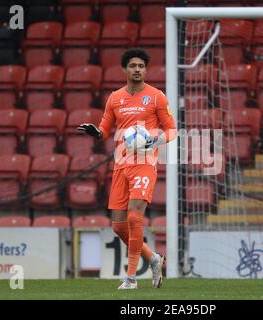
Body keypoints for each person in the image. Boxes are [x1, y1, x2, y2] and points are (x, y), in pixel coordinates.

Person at [77, 48, 177, 290]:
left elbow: (172, 131)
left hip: (145, 163)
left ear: (146, 69)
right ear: (125, 69)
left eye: (141, 66)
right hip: (121, 166)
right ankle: (153, 258)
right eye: (132, 66)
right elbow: (104, 130)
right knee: (119, 226)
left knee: (134, 216)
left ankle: (130, 279)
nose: (137, 70)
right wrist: (96, 132)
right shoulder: (115, 98)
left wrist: (155, 140)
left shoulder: (157, 97)